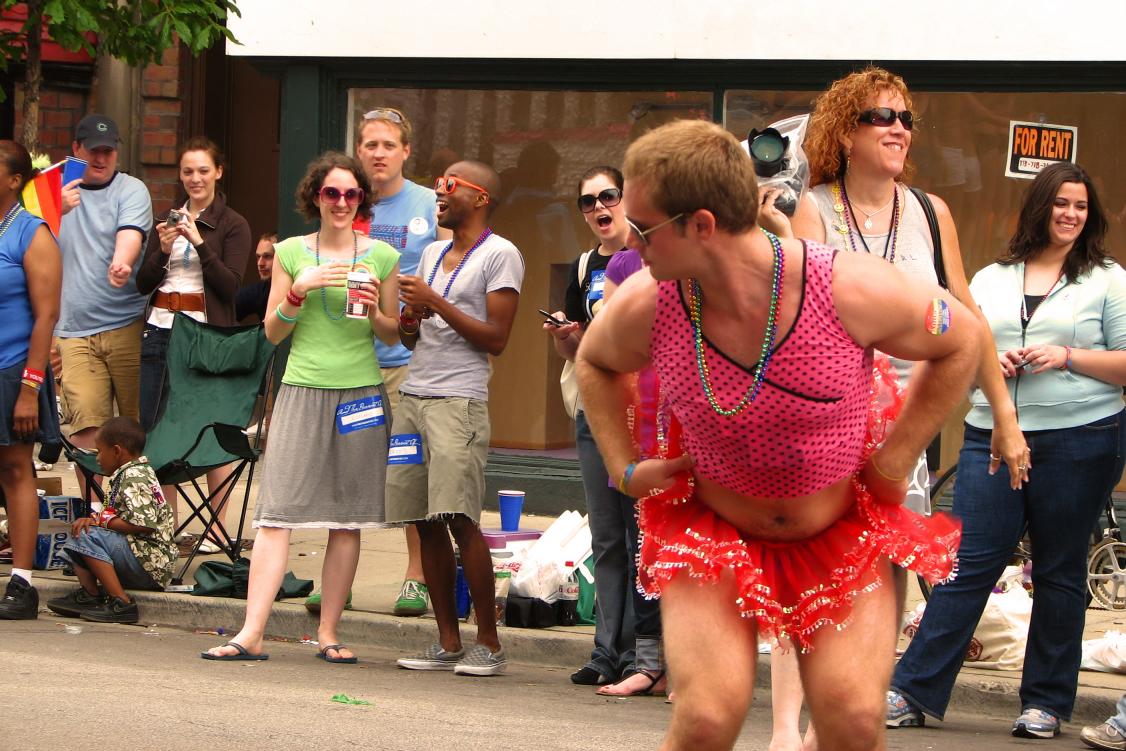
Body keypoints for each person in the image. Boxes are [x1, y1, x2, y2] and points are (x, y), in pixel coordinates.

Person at [575, 120, 980, 751]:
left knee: (851, 720)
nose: (631, 239)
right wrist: (625, 467)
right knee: (707, 719)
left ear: (700, 225)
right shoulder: (649, 302)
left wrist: (896, 460)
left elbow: (961, 340)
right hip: (714, 535)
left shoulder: (845, 285)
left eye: (644, 226)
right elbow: (595, 363)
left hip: (843, 533)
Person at [764, 67, 1029, 750]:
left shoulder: (929, 213)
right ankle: (786, 730)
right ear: (846, 132)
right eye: (882, 117)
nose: (898, 129)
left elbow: (966, 315)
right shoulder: (813, 207)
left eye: (906, 118)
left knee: (884, 574)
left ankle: (844, 719)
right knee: (813, 565)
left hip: (905, 423)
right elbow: (795, 313)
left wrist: (1003, 416)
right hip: (827, 412)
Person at [887, 163, 1126, 739]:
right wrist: (983, 367)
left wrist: (1067, 356)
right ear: (1038, 208)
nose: (1070, 214)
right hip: (990, 433)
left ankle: (1045, 702)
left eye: (1081, 206)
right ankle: (913, 689)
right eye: (1061, 203)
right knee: (967, 562)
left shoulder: (1108, 279)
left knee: (1061, 570)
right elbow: (953, 354)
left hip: (1082, 437)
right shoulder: (992, 278)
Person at [203, 152, 400, 662]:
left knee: (349, 518)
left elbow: (394, 333)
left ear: (362, 200)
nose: (340, 202)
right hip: (301, 388)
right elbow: (271, 331)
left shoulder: (381, 256)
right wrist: (296, 292)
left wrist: (377, 307)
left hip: (360, 394)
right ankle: (252, 632)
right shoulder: (291, 251)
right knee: (275, 514)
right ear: (315, 196)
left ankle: (329, 633)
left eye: (351, 194)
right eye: (331, 192)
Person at [389, 160, 524, 676]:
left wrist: (435, 303)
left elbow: (497, 338)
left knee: (459, 518)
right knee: (422, 521)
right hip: (414, 398)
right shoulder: (431, 252)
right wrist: (409, 318)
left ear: (481, 197)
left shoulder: (501, 254)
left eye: (451, 187)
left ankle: (487, 643)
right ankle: (447, 643)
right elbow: (409, 337)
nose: (439, 193)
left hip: (458, 403)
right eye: (438, 186)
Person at [321, 107, 447, 618]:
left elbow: (447, 269)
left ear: (405, 151)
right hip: (350, 359)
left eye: (388, 145)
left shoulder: (426, 203)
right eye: (369, 144)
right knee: (347, 474)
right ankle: (338, 583)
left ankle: (416, 576)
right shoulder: (348, 200)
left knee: (407, 466)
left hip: (406, 358)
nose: (377, 153)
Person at [544, 165, 664, 695]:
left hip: (647, 414)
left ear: (627, 200)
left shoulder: (657, 256)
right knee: (608, 536)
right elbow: (577, 353)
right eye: (587, 202)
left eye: (607, 196)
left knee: (645, 537)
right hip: (596, 410)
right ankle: (605, 652)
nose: (598, 208)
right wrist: (568, 337)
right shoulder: (584, 265)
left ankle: (648, 654)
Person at [136, 136, 252, 553]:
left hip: (205, 333)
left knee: (212, 429)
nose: (195, 178)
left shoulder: (232, 223)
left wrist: (200, 243)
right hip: (160, 328)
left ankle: (217, 529)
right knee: (158, 428)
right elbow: (142, 284)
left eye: (204, 170)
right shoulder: (166, 219)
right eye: (188, 171)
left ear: (218, 173)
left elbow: (231, 286)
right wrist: (162, 251)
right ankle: (166, 526)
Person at [55, 114, 154, 495]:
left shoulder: (131, 189)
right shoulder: (50, 190)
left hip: (127, 322)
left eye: (108, 151)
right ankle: (93, 513)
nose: (101, 158)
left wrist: (123, 260)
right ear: (76, 149)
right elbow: (23, 237)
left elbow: (131, 232)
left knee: (133, 430)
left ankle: (136, 512)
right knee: (86, 430)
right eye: (94, 150)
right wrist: (53, 209)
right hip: (74, 328)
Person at [0, 140, 64, 620]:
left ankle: (22, 584)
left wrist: (29, 388)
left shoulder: (31, 233)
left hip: (12, 370)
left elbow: (46, 317)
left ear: (14, 179)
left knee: (16, 470)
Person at [47, 417, 177, 624]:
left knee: (88, 535)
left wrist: (102, 523)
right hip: (140, 556)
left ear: (117, 451)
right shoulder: (129, 473)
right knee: (80, 531)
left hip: (150, 563)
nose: (97, 458)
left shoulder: (135, 477)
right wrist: (98, 521)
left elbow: (144, 525)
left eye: (99, 451)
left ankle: (121, 603)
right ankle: (89, 595)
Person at [235, 231, 278, 323]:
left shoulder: (298, 286)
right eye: (258, 257)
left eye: (268, 256)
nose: (260, 263)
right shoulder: (259, 290)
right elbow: (226, 311)